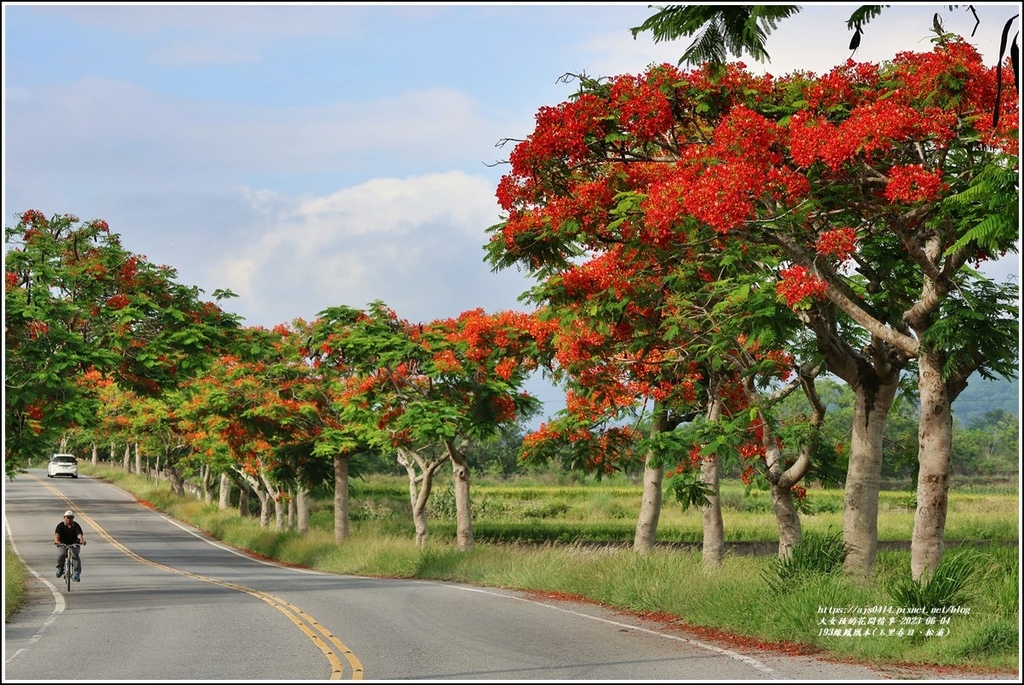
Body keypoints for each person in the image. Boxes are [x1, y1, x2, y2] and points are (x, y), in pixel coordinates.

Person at [54, 510, 86, 582]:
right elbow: (57, 534)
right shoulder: (61, 526)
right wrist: (57, 541)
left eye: (70, 518)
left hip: (74, 544)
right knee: (62, 554)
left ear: (73, 518)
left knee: (75, 555)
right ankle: (60, 568)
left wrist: (82, 540)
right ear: (64, 518)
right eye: (67, 517)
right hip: (63, 544)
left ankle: (76, 573)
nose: (68, 519)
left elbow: (79, 534)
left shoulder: (76, 526)